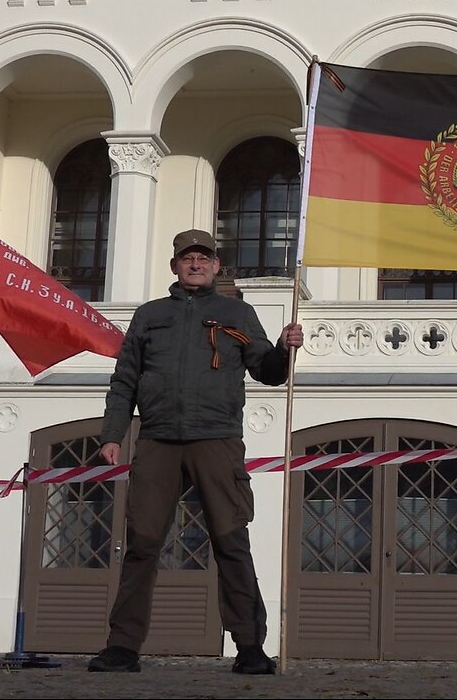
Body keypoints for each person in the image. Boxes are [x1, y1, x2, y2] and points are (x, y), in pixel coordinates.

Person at [88, 228, 303, 674]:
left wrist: (284, 349)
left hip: (217, 439)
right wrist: (112, 434)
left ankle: (250, 648)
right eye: (188, 258)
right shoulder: (149, 315)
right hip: (157, 440)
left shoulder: (237, 313)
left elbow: (267, 371)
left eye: (204, 258)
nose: (196, 264)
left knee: (231, 542)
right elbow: (125, 379)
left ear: (216, 266)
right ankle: (122, 647)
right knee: (142, 544)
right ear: (175, 266)